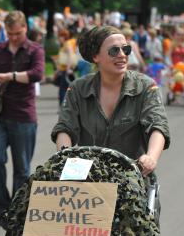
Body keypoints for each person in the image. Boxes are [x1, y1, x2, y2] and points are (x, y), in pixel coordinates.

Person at [51, 25, 170, 178]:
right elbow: (65, 128)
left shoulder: (145, 86)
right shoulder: (78, 89)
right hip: (89, 179)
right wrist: (65, 157)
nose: (122, 55)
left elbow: (157, 125)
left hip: (132, 179)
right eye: (114, 50)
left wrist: (151, 157)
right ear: (96, 56)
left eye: (125, 49)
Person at [0, 10, 45, 227]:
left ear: (25, 28)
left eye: (18, 33)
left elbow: (37, 74)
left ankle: (17, 211)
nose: (14, 37)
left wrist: (11, 76)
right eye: (10, 33)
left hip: (24, 115)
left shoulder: (35, 49)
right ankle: (2, 205)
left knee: (22, 168)